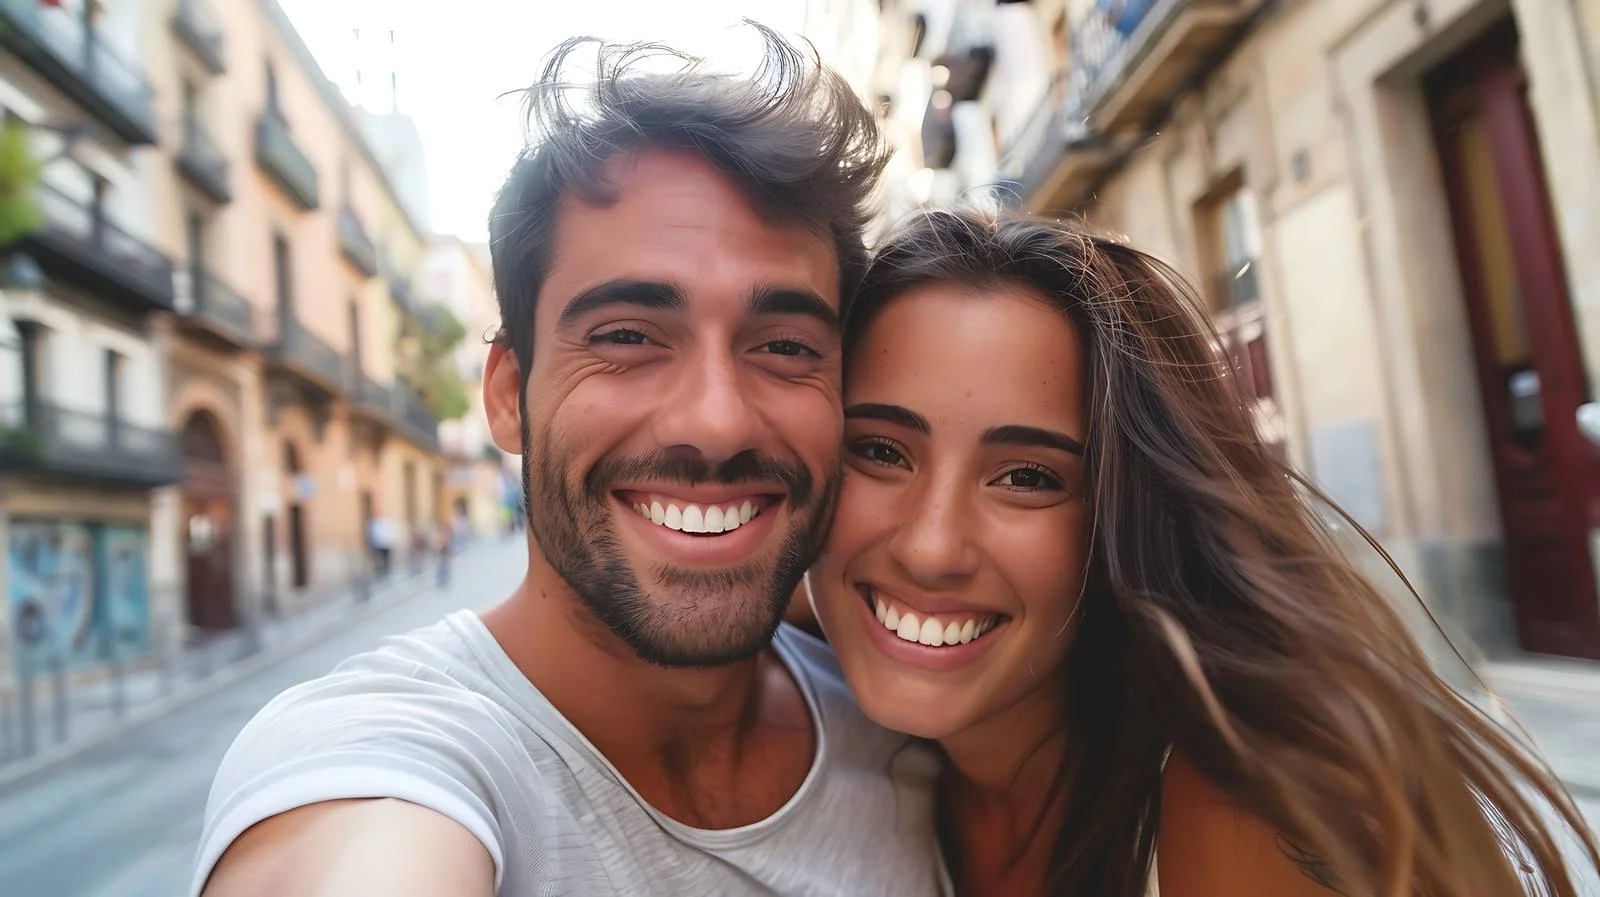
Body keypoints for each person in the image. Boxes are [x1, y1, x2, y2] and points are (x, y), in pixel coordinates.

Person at [191, 30, 944, 897]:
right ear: (509, 394)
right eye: (627, 337)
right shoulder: (383, 756)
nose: (716, 421)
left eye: (783, 345)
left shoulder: (903, 729)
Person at [803, 209, 1600, 897]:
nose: (932, 546)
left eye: (1027, 476)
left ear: (1126, 513)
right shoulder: (814, 705)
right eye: (880, 450)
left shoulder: (1235, 813)